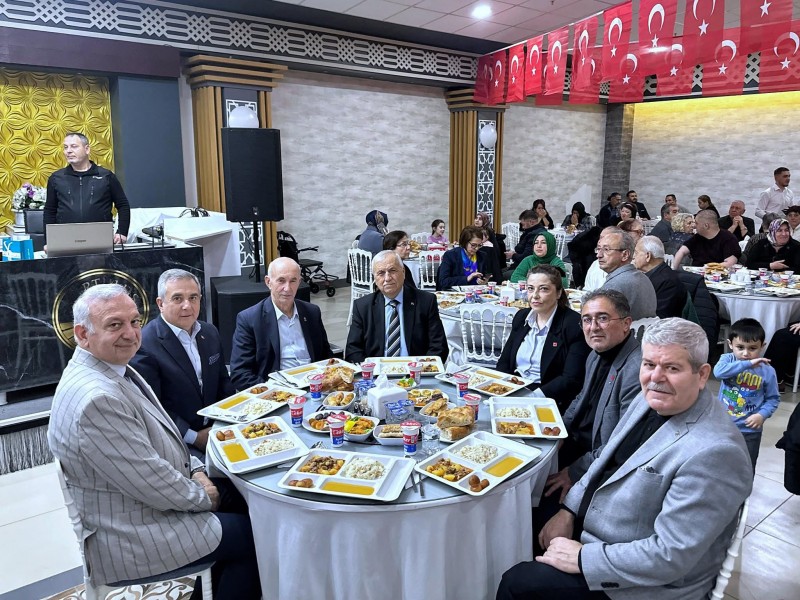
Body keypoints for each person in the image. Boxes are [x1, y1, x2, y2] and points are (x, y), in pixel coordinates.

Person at [498, 318, 753, 600]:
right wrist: (569, 510)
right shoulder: (651, 399)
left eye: (672, 368)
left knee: (516, 582)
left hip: (641, 581)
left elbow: (670, 557)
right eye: (649, 364)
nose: (656, 377)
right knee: (519, 520)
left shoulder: (716, 452)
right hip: (605, 525)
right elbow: (605, 459)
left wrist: (583, 558)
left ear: (702, 374)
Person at [47, 284, 260, 599]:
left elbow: (165, 437)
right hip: (132, 532)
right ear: (82, 334)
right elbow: (151, 483)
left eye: (134, 321)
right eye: (114, 325)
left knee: (249, 500)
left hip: (144, 502)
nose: (131, 333)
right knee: (257, 535)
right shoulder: (97, 399)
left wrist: (197, 470)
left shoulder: (110, 368)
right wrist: (204, 497)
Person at [544, 290, 641, 504]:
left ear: (626, 324)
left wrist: (575, 472)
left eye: (603, 318)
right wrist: (560, 432)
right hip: (575, 443)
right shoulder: (596, 355)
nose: (593, 327)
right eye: (587, 320)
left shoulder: (636, 370)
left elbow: (621, 443)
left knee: (539, 500)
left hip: (599, 464)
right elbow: (580, 399)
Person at [130, 269, 234, 459]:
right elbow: (151, 407)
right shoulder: (144, 344)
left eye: (193, 298)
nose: (187, 306)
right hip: (177, 441)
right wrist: (195, 437)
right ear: (160, 303)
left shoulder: (210, 332)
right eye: (178, 298)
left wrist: (228, 423)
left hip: (218, 428)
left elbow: (223, 383)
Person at [230, 257, 332, 390]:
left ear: (299, 282)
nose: (287, 288)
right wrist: (274, 391)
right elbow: (240, 374)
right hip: (277, 391)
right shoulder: (249, 319)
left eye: (293, 281)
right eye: (281, 281)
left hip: (316, 386)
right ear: (268, 282)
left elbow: (326, 356)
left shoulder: (312, 312)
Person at [496, 265, 590, 410]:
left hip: (548, 398)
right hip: (514, 388)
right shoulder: (521, 317)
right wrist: (504, 388)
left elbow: (570, 379)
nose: (535, 295)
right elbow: (504, 361)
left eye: (543, 289)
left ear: (559, 293)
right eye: (530, 288)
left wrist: (530, 397)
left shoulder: (573, 325)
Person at [346, 250, 447, 363]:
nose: (387, 278)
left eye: (392, 271)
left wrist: (422, 368)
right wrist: (370, 370)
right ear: (374, 278)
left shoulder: (425, 301)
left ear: (403, 272)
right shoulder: (362, 307)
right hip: (377, 371)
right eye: (381, 273)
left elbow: (439, 346)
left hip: (416, 369)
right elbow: (353, 350)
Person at [713, 318, 780, 470]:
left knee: (746, 466)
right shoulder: (727, 359)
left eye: (752, 348)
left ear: (762, 346)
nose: (746, 353)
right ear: (730, 344)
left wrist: (762, 415)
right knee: (720, 464)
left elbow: (773, 399)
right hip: (723, 425)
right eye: (740, 347)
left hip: (749, 430)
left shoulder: (767, 371)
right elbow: (718, 373)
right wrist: (748, 364)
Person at [44, 132, 130, 244]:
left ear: (87, 149)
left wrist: (122, 232)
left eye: (74, 146)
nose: (68, 151)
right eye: (65, 147)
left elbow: (123, 205)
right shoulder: (56, 178)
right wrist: (49, 241)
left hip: (100, 237)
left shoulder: (106, 176)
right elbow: (49, 211)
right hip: (66, 238)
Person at [596, 228, 657, 320]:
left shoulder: (613, 286)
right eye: (598, 249)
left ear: (625, 255)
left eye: (606, 249)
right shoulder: (644, 278)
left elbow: (601, 322)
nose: (599, 255)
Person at [633, 236, 686, 319]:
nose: (633, 256)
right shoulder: (653, 275)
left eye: (636, 253)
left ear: (648, 256)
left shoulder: (668, 282)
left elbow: (659, 317)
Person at [672, 209, 741, 269]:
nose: (694, 226)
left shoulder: (729, 239)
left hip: (718, 275)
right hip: (696, 275)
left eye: (696, 223)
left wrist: (707, 268)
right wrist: (673, 270)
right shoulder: (697, 237)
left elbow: (729, 263)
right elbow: (682, 251)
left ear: (706, 226)